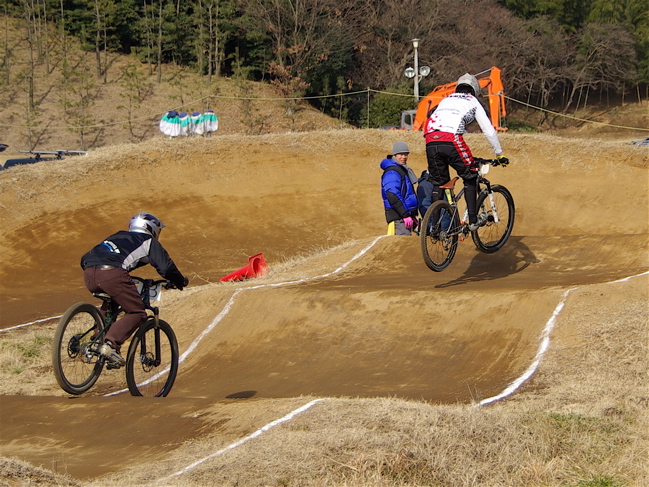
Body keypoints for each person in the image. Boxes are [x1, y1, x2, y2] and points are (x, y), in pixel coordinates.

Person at [80, 212, 189, 367]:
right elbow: (166, 267)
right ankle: (110, 344)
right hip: (112, 274)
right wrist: (179, 281)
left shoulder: (118, 236)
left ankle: (98, 339)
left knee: (112, 300)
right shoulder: (148, 241)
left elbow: (86, 257)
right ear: (152, 229)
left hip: (89, 272)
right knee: (137, 312)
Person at [423, 73, 509, 231]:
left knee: (438, 183)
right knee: (470, 175)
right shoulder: (472, 100)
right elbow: (489, 130)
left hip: (430, 139)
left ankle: (434, 227)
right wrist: (499, 154)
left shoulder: (445, 99)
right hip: (451, 139)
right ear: (474, 89)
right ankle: (473, 220)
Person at [380, 141, 419, 236]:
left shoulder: (401, 169)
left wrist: (411, 215)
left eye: (406, 154)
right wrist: (405, 215)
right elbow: (392, 195)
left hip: (403, 217)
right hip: (398, 218)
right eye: (401, 154)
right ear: (394, 155)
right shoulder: (392, 172)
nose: (404, 157)